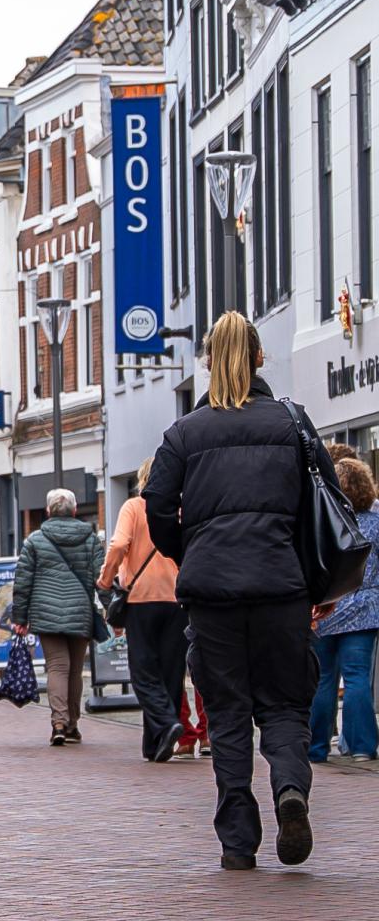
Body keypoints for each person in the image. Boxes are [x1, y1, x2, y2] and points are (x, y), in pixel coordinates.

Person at [146, 311, 338, 871]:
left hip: (212, 596)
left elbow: (157, 506)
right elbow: (326, 501)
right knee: (283, 704)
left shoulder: (184, 434)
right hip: (282, 587)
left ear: (207, 362)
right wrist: (312, 576)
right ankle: (288, 789)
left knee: (227, 712)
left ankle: (237, 841)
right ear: (259, 359)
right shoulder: (292, 422)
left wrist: (192, 550)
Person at [97, 457, 189, 763]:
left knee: (144, 672)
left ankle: (167, 723)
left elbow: (119, 544)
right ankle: (156, 744)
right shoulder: (180, 510)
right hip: (177, 599)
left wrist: (106, 579)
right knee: (172, 671)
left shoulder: (134, 507)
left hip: (141, 599)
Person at [10, 488, 104, 746]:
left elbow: (23, 582)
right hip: (80, 613)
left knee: (57, 667)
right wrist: (113, 612)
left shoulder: (34, 540)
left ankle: (58, 723)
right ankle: (72, 724)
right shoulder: (91, 539)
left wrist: (20, 617)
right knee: (74, 670)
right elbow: (102, 579)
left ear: (48, 511)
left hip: (46, 613)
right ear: (74, 511)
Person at [309, 455, 379, 764]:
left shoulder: (326, 522)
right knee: (357, 677)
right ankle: (363, 746)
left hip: (327, 607)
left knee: (323, 678)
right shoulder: (375, 524)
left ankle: (316, 747)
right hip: (365, 607)